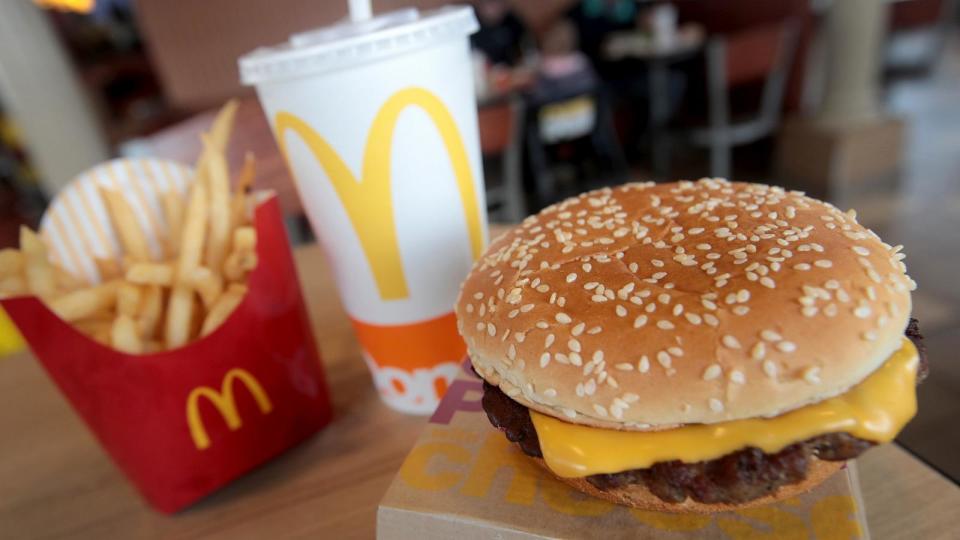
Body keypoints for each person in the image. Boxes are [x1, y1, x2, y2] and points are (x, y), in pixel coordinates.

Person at [470, 0, 531, 67]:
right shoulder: (471, 23)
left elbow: (527, 48)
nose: (493, 7)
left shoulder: (513, 22)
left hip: (512, 69)